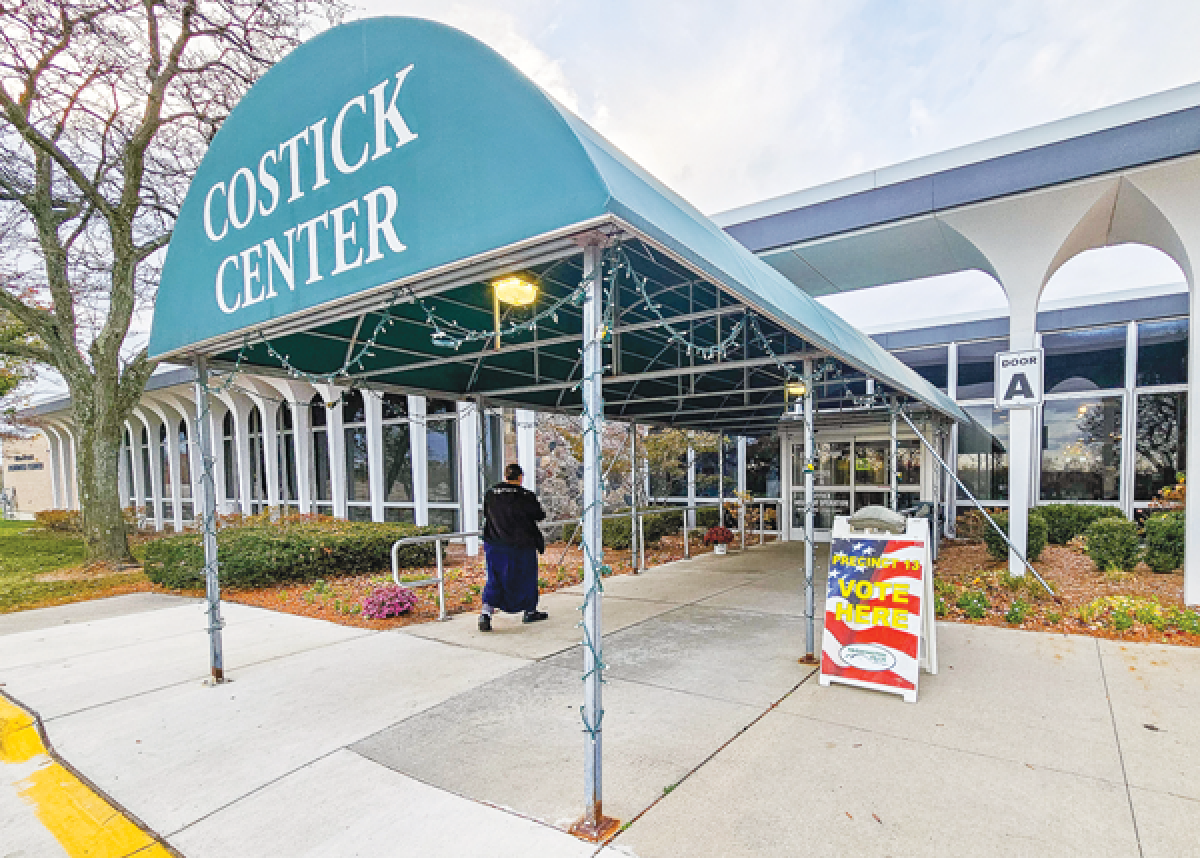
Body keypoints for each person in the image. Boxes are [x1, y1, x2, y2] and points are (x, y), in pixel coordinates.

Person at [479, 463, 547, 631]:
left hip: (495, 544)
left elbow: (486, 514)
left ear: (505, 476)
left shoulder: (491, 494)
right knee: (526, 578)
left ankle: (486, 613)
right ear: (520, 477)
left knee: (495, 578)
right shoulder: (526, 496)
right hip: (522, 545)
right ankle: (530, 611)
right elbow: (539, 515)